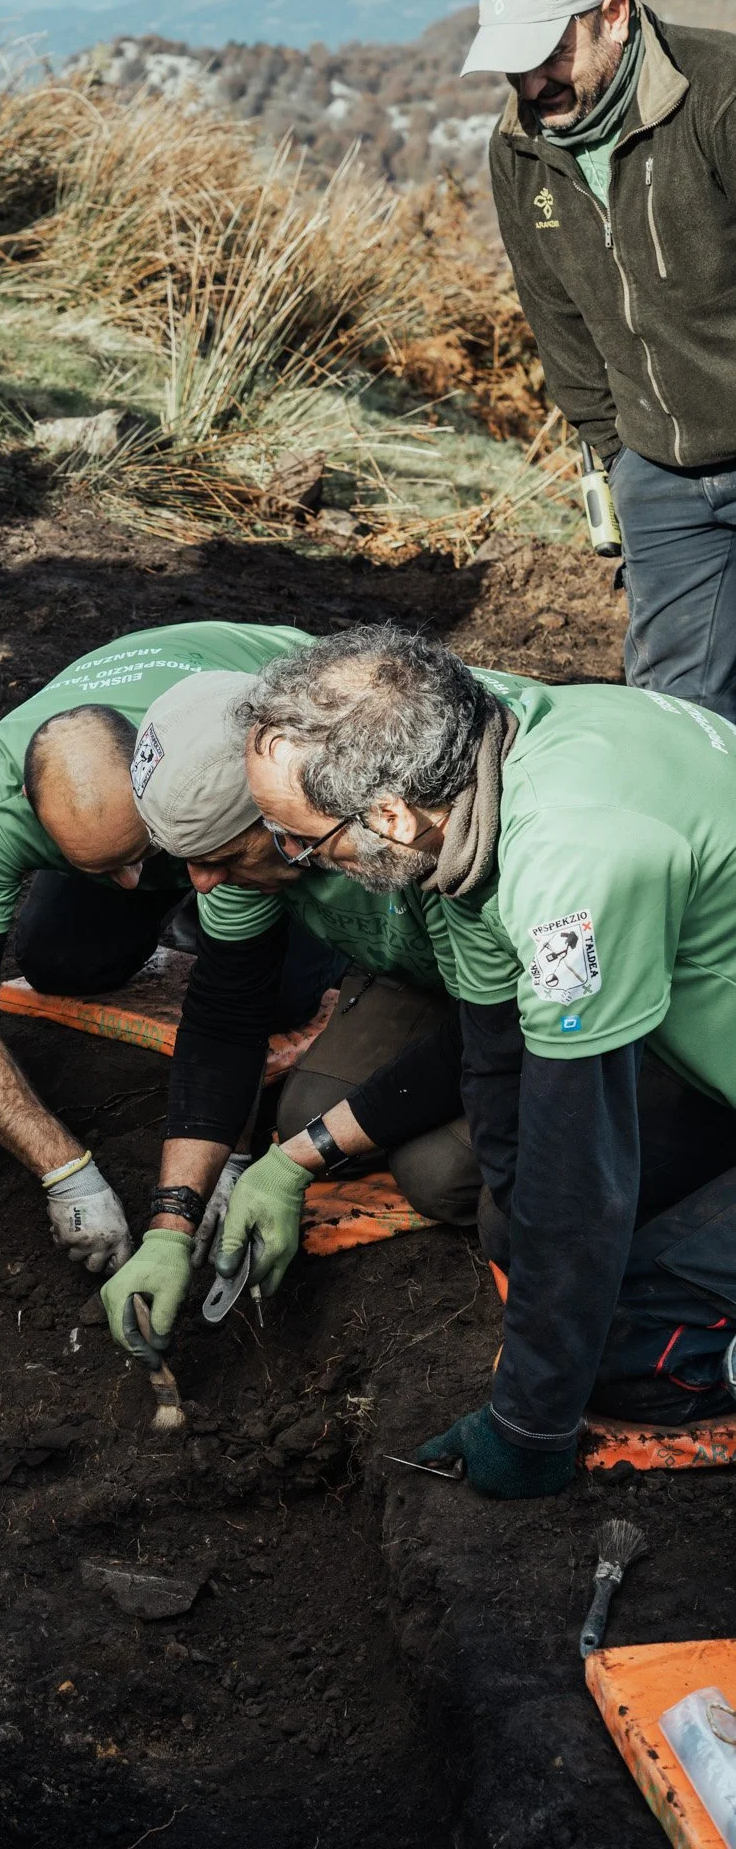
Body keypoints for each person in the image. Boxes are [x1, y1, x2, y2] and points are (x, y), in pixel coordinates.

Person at [240, 624, 736, 1500]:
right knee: (524, 1230)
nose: (294, 860)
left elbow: (576, 1168)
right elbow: (497, 1055)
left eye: (302, 843)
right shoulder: (479, 763)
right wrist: (517, 1223)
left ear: (388, 817)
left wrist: (529, 1426)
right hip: (708, 1064)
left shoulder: (570, 858)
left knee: (628, 1350)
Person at [0, 622, 343, 1277]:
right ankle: (164, 887)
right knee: (61, 962)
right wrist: (65, 1174)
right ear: (30, 806)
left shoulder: (205, 775)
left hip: (279, 729)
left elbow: (231, 1011)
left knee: (281, 993)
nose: (129, 883)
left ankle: (244, 916)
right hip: (156, 822)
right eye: (102, 867)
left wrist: (225, 1157)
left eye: (140, 854)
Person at [97, 667, 480, 1367]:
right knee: (309, 1110)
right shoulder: (237, 858)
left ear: (279, 817)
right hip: (421, 973)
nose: (202, 884)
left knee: (438, 1174)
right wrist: (170, 1228)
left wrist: (293, 1164)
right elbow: (223, 1017)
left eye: (219, 858)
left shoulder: (407, 831)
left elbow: (492, 1027)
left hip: (524, 998)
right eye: (189, 862)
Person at [464, 0, 736, 721]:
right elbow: (555, 315)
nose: (531, 84)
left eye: (550, 53)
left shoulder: (719, 96)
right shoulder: (517, 149)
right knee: (677, 718)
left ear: (612, 15)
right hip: (657, 472)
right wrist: (616, 459)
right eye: (512, 62)